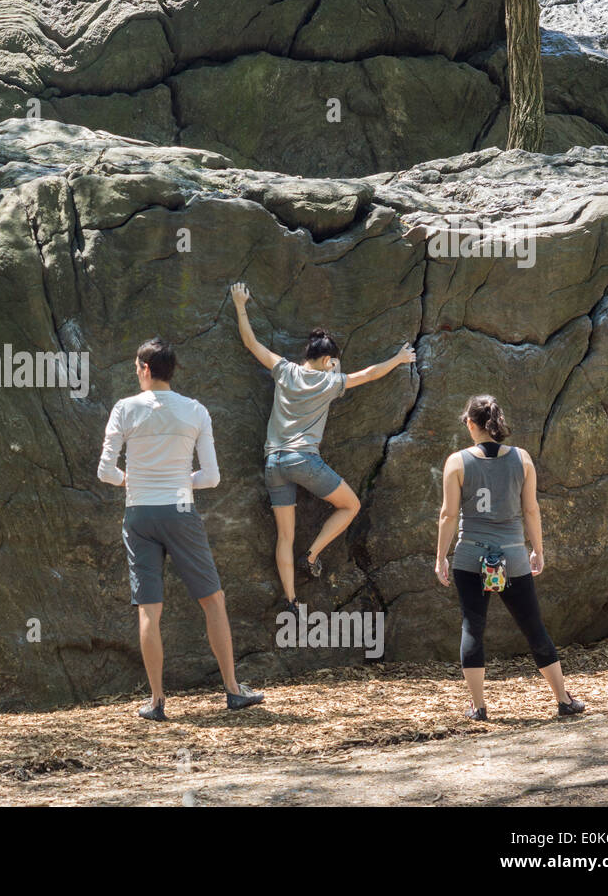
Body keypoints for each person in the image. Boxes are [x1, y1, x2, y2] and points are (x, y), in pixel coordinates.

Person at [98, 337, 264, 721]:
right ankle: (233, 690)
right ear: (172, 371)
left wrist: (133, 480)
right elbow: (212, 477)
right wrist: (178, 480)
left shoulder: (124, 409)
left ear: (144, 369)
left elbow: (105, 472)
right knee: (212, 600)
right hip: (180, 511)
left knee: (148, 609)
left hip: (139, 515)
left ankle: (156, 702)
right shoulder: (195, 410)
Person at [231, 282, 415, 609]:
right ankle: (312, 555)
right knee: (350, 506)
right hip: (304, 461)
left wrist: (240, 304)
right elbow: (370, 374)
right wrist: (399, 358)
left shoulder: (284, 370)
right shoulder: (331, 383)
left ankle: (290, 601)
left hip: (274, 462)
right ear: (328, 359)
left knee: (284, 536)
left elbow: (251, 342)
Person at [435, 395, 585, 721]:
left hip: (470, 555)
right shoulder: (523, 459)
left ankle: (479, 707)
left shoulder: (456, 462)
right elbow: (531, 509)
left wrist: (440, 557)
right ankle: (563, 700)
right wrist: (538, 550)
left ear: (471, 424)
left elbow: (448, 515)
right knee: (533, 626)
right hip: (513, 555)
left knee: (473, 627)